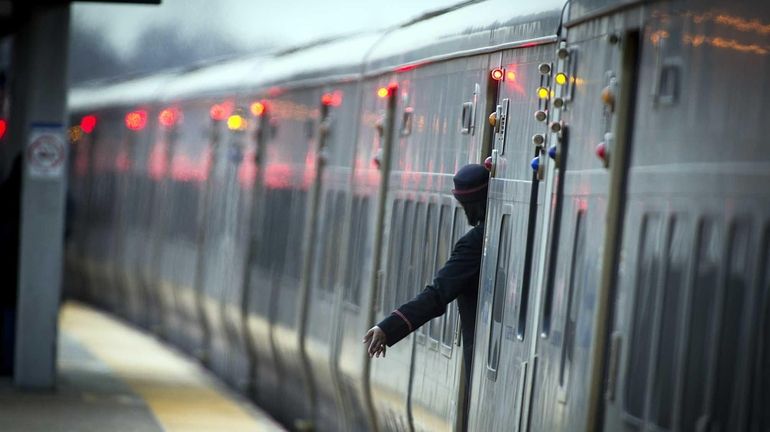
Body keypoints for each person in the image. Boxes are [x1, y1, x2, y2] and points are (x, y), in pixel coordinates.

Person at [363, 163, 489, 380]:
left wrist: (388, 328)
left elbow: (437, 294)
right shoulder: (485, 238)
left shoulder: (473, 243)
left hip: (480, 364)